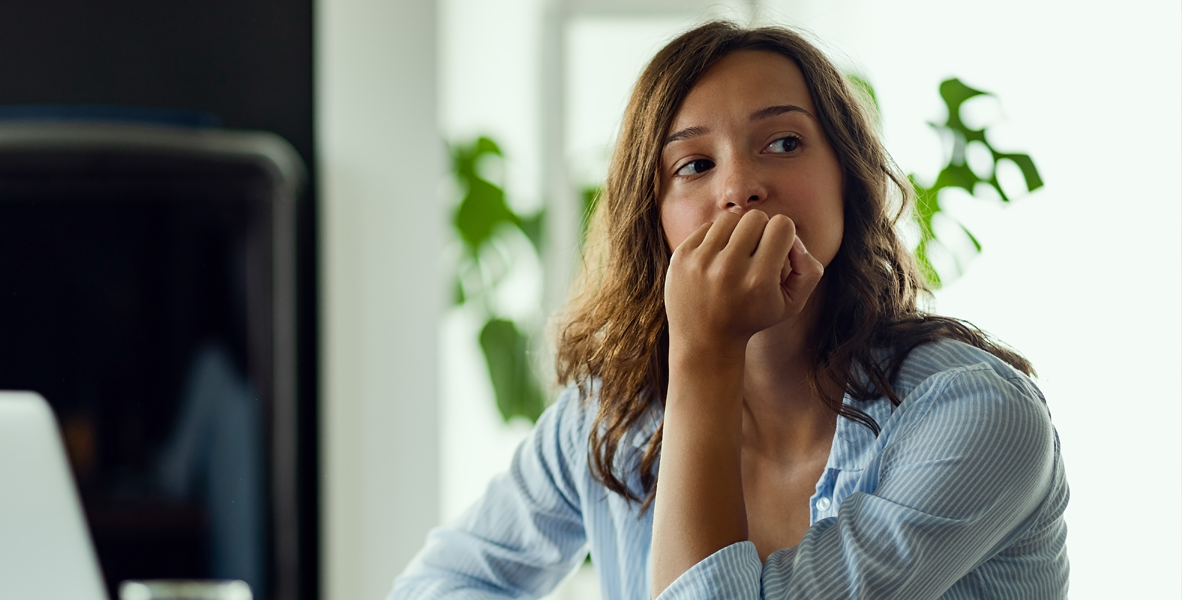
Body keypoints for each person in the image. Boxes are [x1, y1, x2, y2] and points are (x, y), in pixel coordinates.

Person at [389, 20, 1069, 600]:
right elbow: (440, 584)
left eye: (783, 144)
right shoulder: (610, 418)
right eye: (693, 165)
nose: (741, 187)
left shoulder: (975, 414)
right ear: (653, 219)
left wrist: (705, 354)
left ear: (847, 180)